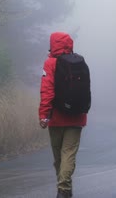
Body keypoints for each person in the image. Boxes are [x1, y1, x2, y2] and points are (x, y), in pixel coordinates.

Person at [39, 32, 87, 198]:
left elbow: (47, 91)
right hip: (77, 117)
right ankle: (65, 190)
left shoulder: (50, 63)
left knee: (59, 156)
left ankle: (63, 190)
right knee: (69, 153)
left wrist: (44, 115)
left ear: (53, 45)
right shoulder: (79, 62)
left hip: (56, 117)